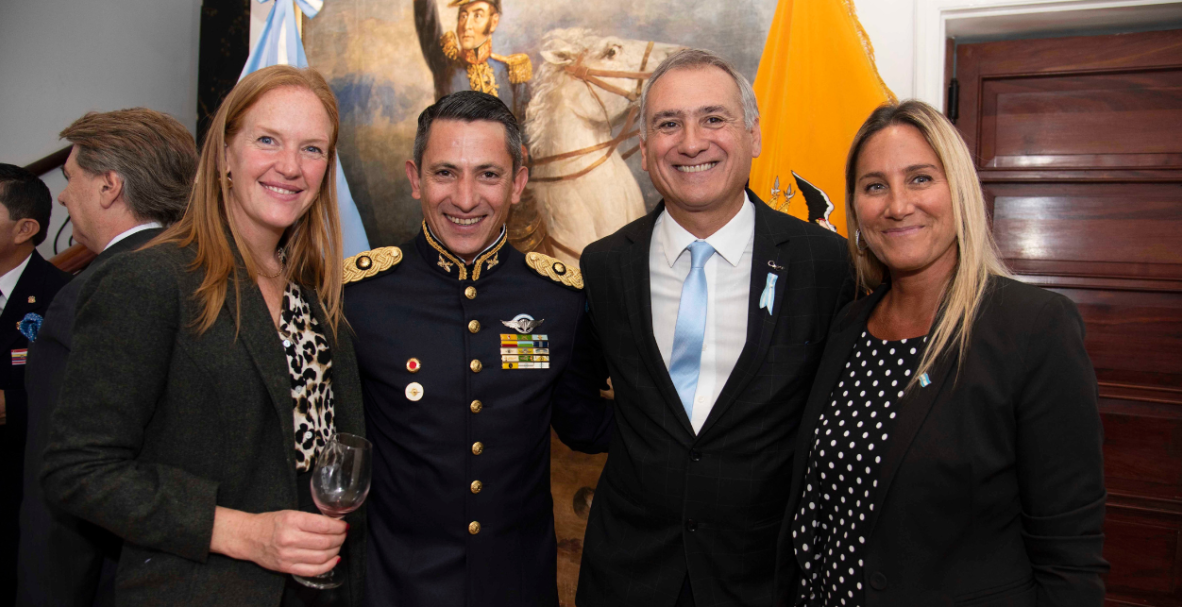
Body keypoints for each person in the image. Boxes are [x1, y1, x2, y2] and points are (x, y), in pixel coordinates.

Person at [41, 65, 366, 607]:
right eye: (267, 140)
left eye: (312, 149)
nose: (290, 166)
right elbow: (78, 470)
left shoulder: (312, 293)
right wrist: (245, 534)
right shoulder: (151, 279)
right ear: (223, 156)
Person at [778, 100, 1107, 606]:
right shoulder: (847, 326)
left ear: (959, 191)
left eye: (920, 179)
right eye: (874, 186)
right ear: (855, 209)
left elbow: (1070, 555)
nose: (897, 205)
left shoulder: (1033, 328)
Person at [575, 49, 855, 607]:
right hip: (627, 576)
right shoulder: (605, 264)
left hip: (763, 577)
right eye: (668, 124)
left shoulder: (825, 263)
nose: (691, 142)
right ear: (645, 146)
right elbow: (576, 396)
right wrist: (642, 449)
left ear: (753, 134)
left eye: (713, 118)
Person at [342, 90, 612, 606]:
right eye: (445, 173)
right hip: (396, 589)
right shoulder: (359, 299)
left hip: (518, 589)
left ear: (518, 183)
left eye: (488, 174)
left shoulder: (559, 299)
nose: (465, 199)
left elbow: (582, 422)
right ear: (415, 179)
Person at [16, 108, 197, 607]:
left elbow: (62, 484)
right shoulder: (205, 278)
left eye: (70, 176)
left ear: (109, 186)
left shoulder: (89, 296)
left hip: (111, 577)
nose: (61, 195)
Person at [0, 164, 72, 606]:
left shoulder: (62, 296)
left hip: (20, 497)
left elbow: (73, 398)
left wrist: (10, 405)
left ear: (24, 228)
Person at [414, 0, 532, 119]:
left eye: (477, 16)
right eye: (463, 16)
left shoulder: (511, 72)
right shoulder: (445, 67)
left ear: (493, 22)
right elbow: (426, 22)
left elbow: (522, 127)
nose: (466, 26)